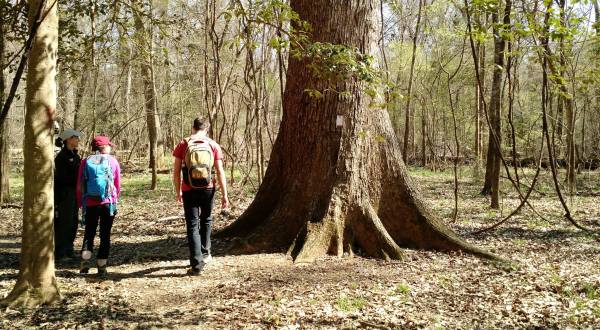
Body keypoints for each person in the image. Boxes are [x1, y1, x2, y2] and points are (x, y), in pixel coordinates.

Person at [173, 117, 229, 275]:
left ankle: (196, 265)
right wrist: (225, 194)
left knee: (192, 225)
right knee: (206, 220)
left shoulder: (183, 144)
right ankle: (206, 254)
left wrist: (178, 191)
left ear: (193, 127)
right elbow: (219, 171)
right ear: (207, 128)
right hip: (208, 188)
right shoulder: (212, 144)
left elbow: (176, 172)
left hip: (189, 189)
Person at [76, 136, 121, 277]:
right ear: (104, 147)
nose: (110, 148)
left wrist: (80, 203)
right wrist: (115, 199)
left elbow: (79, 185)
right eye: (109, 146)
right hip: (108, 203)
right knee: (105, 235)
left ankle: (85, 262)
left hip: (90, 203)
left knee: (89, 233)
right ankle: (101, 267)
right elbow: (117, 184)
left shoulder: (85, 161)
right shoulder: (112, 161)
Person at [54, 129, 82, 260]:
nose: (78, 140)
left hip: (75, 193)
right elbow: (61, 178)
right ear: (68, 140)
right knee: (64, 222)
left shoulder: (76, 156)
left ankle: (69, 250)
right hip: (65, 193)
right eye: (75, 137)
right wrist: (77, 176)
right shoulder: (61, 157)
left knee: (73, 221)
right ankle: (60, 252)